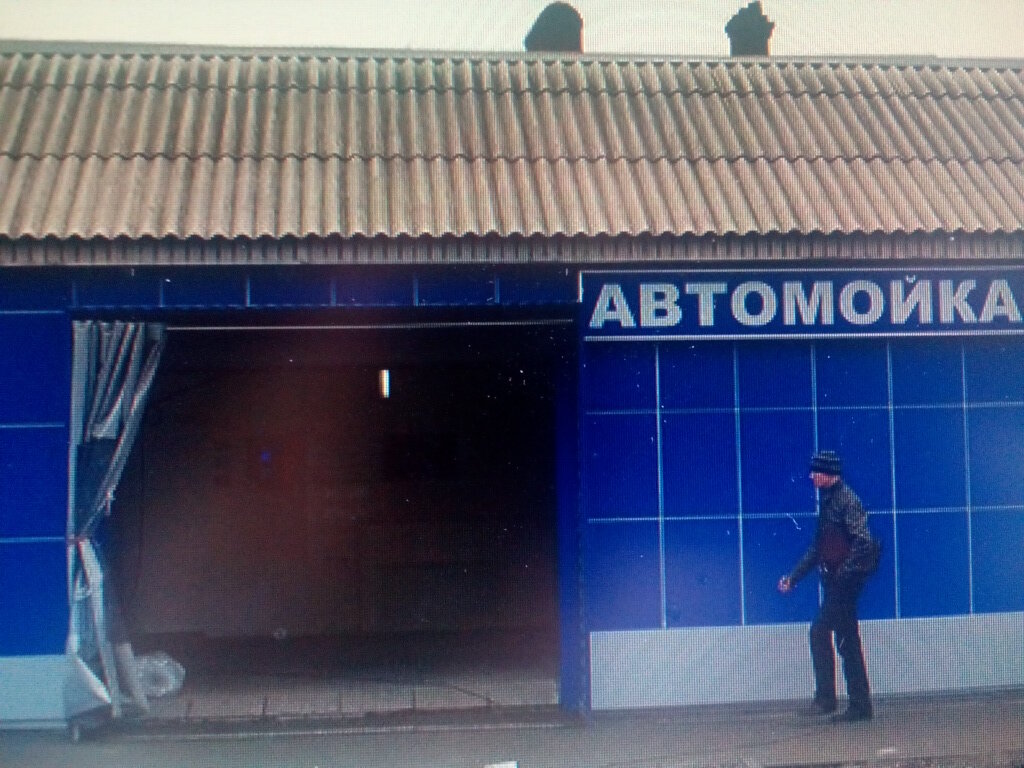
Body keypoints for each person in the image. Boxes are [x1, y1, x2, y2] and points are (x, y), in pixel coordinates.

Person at [777, 449, 881, 723]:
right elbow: (819, 547)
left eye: (816, 471)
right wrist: (794, 577)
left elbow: (863, 542)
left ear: (829, 474)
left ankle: (830, 699)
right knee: (846, 641)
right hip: (839, 583)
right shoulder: (830, 500)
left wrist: (843, 574)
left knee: (822, 632)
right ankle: (858, 705)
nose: (811, 476)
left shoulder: (846, 501)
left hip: (843, 585)